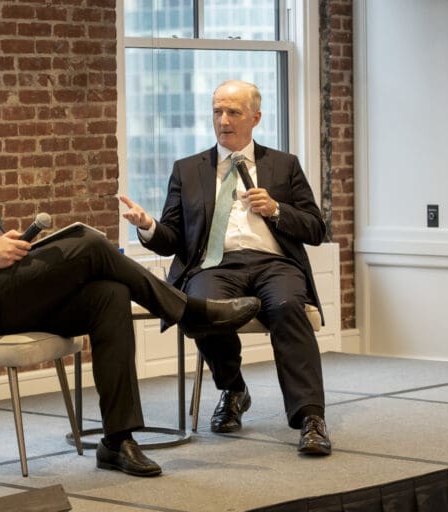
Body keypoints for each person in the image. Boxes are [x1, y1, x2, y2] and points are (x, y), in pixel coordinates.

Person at [0, 84, 262, 477]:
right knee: (87, 244)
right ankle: (189, 312)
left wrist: (4, 246)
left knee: (109, 293)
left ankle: (117, 440)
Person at [120, 80, 332, 455]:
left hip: (273, 264)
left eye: (233, 112)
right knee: (201, 308)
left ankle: (310, 418)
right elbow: (172, 238)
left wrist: (277, 209)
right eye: (217, 111)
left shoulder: (284, 165)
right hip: (214, 265)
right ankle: (234, 389)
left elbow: (316, 228)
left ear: (255, 118)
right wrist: (148, 225)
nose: (224, 120)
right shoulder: (187, 170)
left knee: (287, 307)